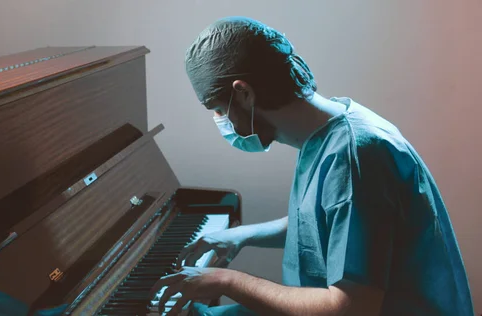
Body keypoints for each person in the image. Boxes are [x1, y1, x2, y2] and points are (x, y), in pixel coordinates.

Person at [150, 16, 474, 315]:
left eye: (218, 109)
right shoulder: (333, 129)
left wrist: (227, 281)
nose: (220, 121)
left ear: (244, 93)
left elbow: (351, 307)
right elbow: (327, 224)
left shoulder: (355, 156)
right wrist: (240, 236)